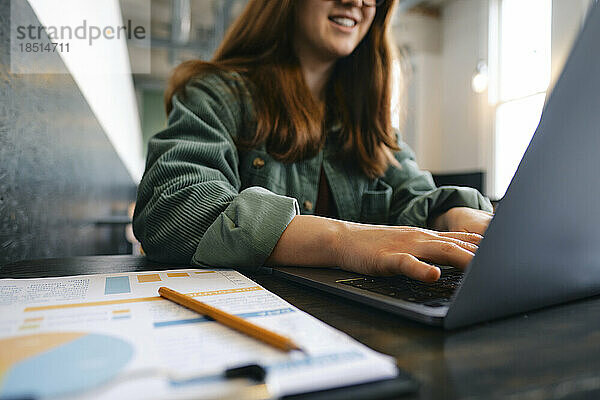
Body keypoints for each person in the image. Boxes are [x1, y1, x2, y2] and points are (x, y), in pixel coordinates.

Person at [133, 0, 494, 283]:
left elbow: (413, 197)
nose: (356, 1)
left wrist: (451, 216)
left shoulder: (371, 128)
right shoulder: (216, 95)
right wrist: (343, 241)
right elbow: (172, 208)